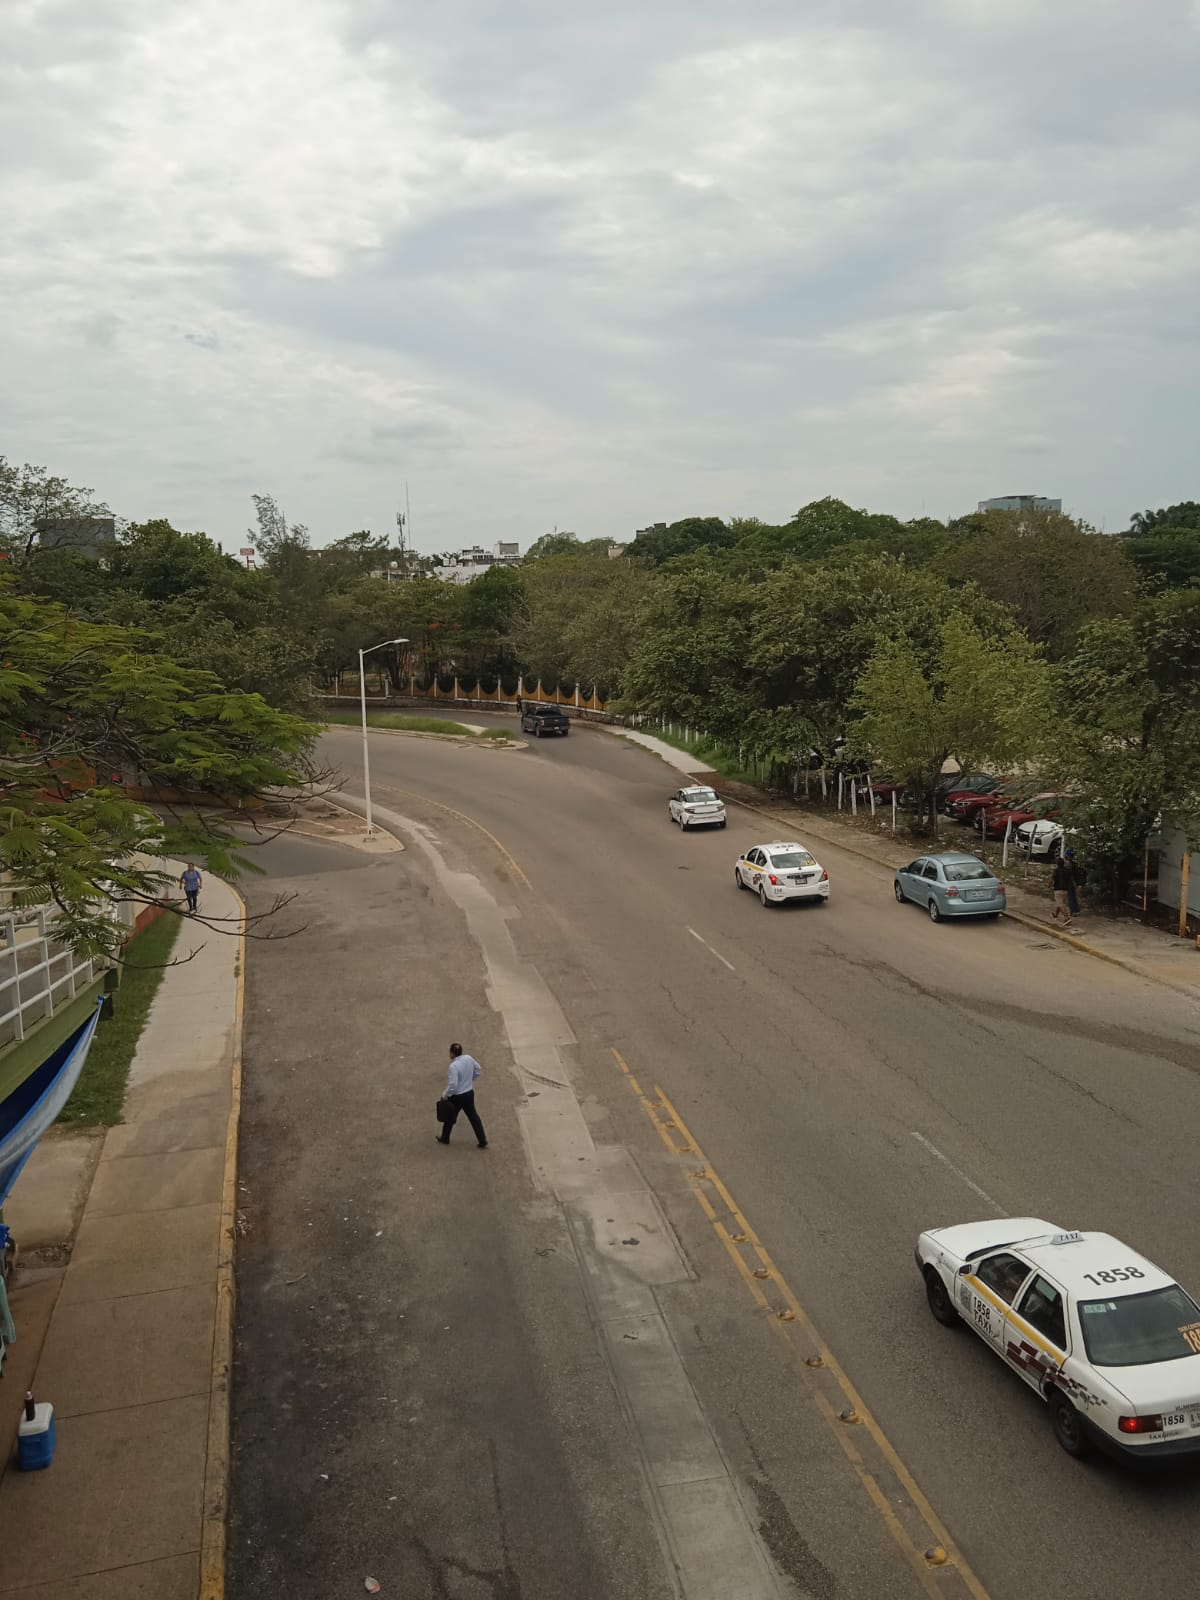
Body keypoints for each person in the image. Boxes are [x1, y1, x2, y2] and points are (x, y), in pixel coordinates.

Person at [437, 1043, 488, 1148]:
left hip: (457, 1097)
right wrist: (470, 1080)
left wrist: (445, 1095)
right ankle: (482, 1140)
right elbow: (478, 1069)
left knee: (450, 1117)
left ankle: (445, 1138)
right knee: (474, 1118)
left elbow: (453, 1085)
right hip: (469, 1094)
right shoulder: (468, 1058)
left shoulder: (453, 1066)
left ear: (451, 1053)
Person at [1050, 853, 1075, 926]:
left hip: (1058, 889)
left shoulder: (1056, 871)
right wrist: (1074, 886)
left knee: (1060, 904)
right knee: (1060, 903)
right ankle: (1055, 915)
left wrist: (1049, 885)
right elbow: (1071, 879)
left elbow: (1052, 879)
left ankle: (1067, 918)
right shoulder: (1067, 870)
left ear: (1057, 864)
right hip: (1065, 889)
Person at [1064, 848, 1082, 917]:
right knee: (1071, 896)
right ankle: (1074, 911)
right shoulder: (1069, 863)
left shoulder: (1069, 863)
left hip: (1070, 882)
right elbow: (1070, 875)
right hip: (1070, 882)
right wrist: (1074, 883)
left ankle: (1075, 910)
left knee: (1072, 896)